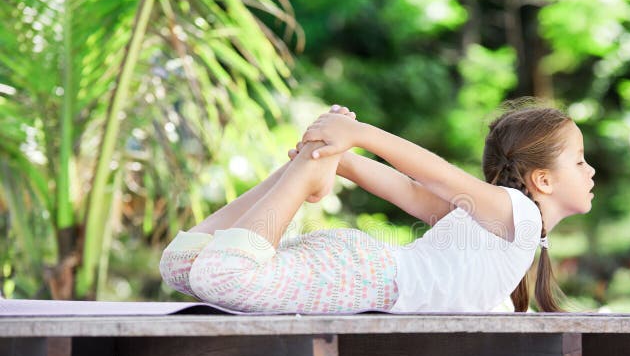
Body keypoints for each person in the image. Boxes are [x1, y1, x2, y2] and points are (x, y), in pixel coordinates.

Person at [159, 99, 595, 313]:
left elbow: (405, 191)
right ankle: (311, 170)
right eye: (579, 161)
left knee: (181, 264)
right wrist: (361, 135)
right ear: (542, 180)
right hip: (368, 274)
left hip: (361, 268)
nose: (590, 171)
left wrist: (345, 159)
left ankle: (312, 165)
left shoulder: (492, 234)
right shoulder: (518, 213)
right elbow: (434, 176)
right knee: (223, 276)